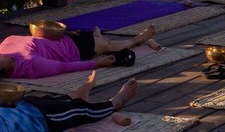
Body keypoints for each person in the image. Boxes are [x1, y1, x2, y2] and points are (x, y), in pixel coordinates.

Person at [0, 70, 138, 132]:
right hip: (42, 120)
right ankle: (114, 103)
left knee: (50, 101)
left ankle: (77, 95)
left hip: (22, 107)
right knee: (79, 110)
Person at [0, 26, 161, 79]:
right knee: (106, 44)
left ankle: (97, 36)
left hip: (61, 36)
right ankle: (136, 40)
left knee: (94, 36)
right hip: (75, 48)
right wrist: (97, 63)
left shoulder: (3, 48)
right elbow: (64, 67)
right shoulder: (30, 65)